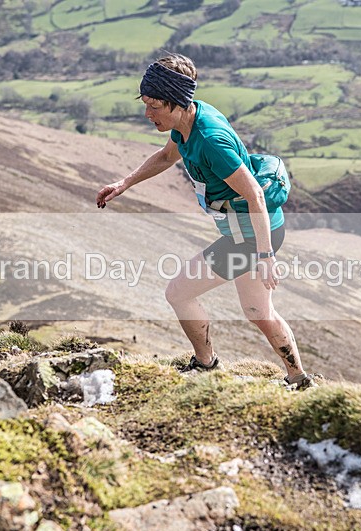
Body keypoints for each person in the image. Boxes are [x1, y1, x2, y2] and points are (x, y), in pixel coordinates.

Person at [95, 53, 314, 390]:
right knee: (258, 310)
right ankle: (299, 378)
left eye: (154, 105)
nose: (147, 113)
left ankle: (205, 363)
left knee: (179, 292)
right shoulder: (187, 124)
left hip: (251, 235)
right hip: (253, 231)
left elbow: (254, 194)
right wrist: (125, 183)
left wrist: (266, 255)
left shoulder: (210, 141)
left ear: (176, 102)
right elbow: (167, 156)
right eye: (145, 103)